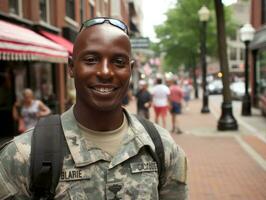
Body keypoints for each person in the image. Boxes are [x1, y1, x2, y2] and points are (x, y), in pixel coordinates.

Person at [0, 17, 188, 199]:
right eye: (91, 60)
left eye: (119, 62)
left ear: (131, 70)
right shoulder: (24, 155)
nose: (105, 72)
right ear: (71, 68)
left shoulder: (162, 148)